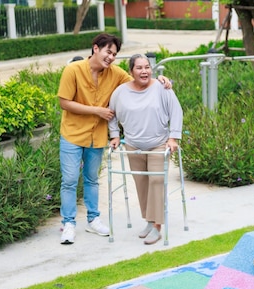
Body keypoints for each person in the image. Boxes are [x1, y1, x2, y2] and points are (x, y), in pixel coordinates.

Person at [57, 33, 170, 245]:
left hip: (97, 136)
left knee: (91, 179)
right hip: (72, 134)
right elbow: (64, 102)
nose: (111, 57)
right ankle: (69, 223)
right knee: (70, 180)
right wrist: (97, 112)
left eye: (114, 54)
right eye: (108, 52)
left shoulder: (115, 73)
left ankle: (93, 219)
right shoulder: (73, 70)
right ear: (95, 48)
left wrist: (160, 80)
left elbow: (140, 79)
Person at [108, 54, 183, 245]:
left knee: (156, 181)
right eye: (139, 68)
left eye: (147, 67)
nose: (144, 71)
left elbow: (176, 111)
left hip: (158, 143)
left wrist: (173, 137)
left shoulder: (162, 88)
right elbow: (111, 115)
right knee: (141, 183)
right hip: (133, 145)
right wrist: (115, 135)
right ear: (131, 71)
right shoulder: (120, 92)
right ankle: (149, 221)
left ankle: (157, 227)